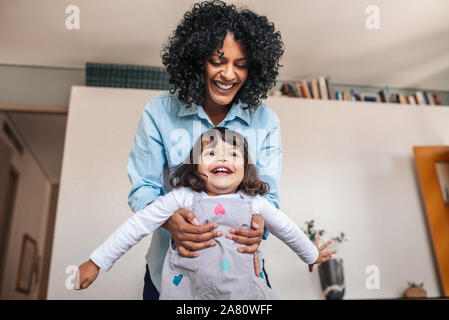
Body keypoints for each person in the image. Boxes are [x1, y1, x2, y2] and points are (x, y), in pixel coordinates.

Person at [76, 128, 337, 299]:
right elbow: (137, 225)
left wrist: (310, 254)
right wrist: (97, 261)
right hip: (187, 292)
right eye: (211, 153)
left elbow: (287, 229)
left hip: (241, 295)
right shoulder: (182, 198)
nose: (222, 159)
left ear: (245, 169)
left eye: (233, 154)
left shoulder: (255, 202)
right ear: (194, 166)